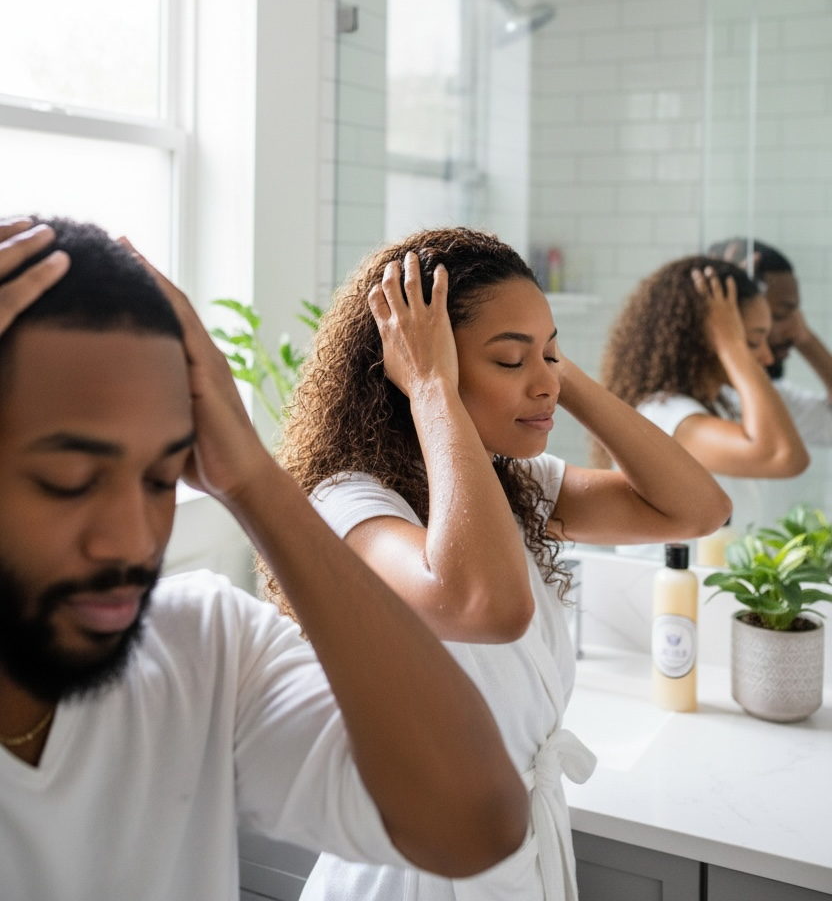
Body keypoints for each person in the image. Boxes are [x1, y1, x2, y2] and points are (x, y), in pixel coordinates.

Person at [0, 216, 530, 901]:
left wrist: (250, 475)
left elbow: (477, 822)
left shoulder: (206, 649)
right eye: (70, 482)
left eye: (162, 479)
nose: (132, 542)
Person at [266, 227, 730, 901]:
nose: (544, 382)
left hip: (516, 856)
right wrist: (431, 388)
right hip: (415, 878)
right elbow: (485, 605)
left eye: (552, 354)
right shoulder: (347, 508)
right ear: (412, 365)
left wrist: (551, 374)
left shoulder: (513, 485)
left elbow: (698, 509)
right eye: (510, 362)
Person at [599, 255, 808, 537]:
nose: (768, 357)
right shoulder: (665, 417)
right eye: (752, 341)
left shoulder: (717, 406)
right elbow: (784, 456)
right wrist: (732, 345)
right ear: (706, 339)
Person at [708, 238, 832, 447]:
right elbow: (784, 459)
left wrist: (807, 340)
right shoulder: (686, 402)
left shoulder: (772, 396)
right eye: (781, 313)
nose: (796, 327)